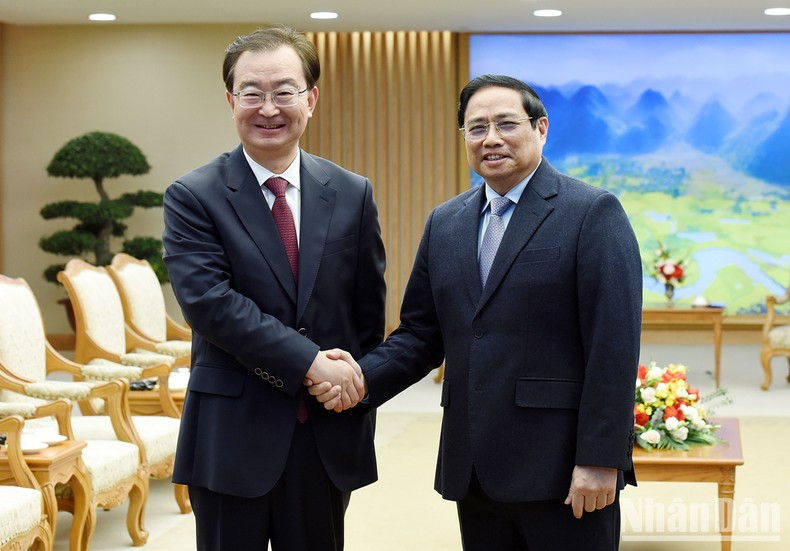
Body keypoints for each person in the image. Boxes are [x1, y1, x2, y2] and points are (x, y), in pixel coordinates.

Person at [311, 74, 642, 550]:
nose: (491, 138)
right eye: (477, 127)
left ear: (541, 128)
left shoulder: (592, 212)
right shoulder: (446, 222)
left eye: (506, 124)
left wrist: (601, 458)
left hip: (563, 467)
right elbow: (420, 334)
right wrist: (360, 378)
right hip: (474, 465)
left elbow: (613, 345)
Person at [162, 26, 386, 551]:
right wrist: (312, 364)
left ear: (311, 99)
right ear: (230, 101)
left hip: (324, 432)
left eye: (284, 91)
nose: (268, 108)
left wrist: (348, 384)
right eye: (251, 93)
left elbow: (366, 315)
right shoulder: (193, 195)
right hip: (230, 433)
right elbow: (210, 305)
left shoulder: (351, 193)